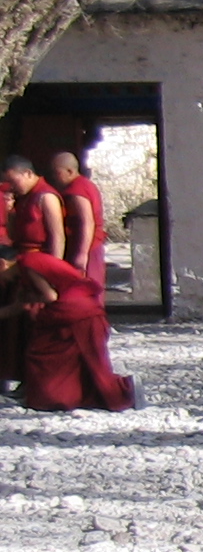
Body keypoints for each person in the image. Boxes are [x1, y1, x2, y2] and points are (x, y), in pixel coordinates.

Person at [0, 247, 136, 410]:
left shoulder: (28, 265)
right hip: (82, 306)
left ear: (2, 264)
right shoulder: (25, 268)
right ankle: (80, 396)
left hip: (73, 310)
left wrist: (30, 297)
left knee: (41, 353)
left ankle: (120, 389)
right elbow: (18, 306)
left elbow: (50, 296)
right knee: (80, 360)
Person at [50, 151, 105, 287]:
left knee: (86, 288)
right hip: (88, 245)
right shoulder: (86, 185)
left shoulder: (77, 189)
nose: (54, 177)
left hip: (88, 245)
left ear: (70, 171)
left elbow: (87, 221)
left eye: (57, 173)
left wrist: (82, 253)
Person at [2, 154, 66, 260]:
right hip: (19, 254)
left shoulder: (46, 197)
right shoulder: (22, 197)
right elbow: (12, 236)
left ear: (28, 173)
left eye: (13, 182)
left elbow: (57, 237)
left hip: (39, 257)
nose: (11, 187)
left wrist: (54, 266)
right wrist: (10, 212)